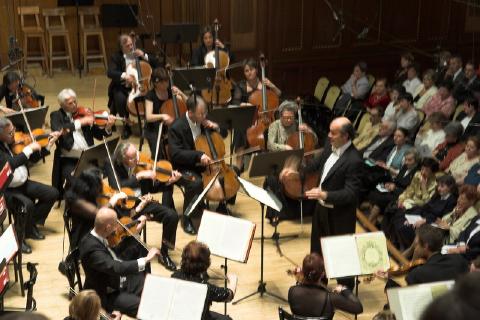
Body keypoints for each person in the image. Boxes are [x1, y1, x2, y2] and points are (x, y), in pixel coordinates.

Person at [282, 117, 363, 289]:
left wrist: (324, 194)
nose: (329, 136)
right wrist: (295, 171)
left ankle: (345, 290)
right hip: (321, 211)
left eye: (333, 133)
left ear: (346, 136)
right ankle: (319, 284)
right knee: (317, 251)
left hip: (340, 216)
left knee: (340, 254)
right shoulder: (330, 146)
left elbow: (351, 193)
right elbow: (314, 165)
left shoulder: (354, 160)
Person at [104, 142, 180, 270]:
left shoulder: (141, 162)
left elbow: (153, 187)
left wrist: (168, 182)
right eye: (132, 158)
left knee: (172, 216)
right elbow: (117, 186)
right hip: (124, 208)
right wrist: (139, 176)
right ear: (123, 159)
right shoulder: (111, 162)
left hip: (142, 202)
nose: (137, 160)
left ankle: (165, 254)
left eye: (137, 155)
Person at [79, 207, 160, 317]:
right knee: (143, 306)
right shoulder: (92, 250)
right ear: (107, 227)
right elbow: (116, 267)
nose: (117, 227)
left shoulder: (100, 234)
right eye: (115, 224)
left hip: (119, 280)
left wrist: (136, 232)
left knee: (152, 286)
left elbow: (117, 251)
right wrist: (145, 260)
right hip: (107, 294)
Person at [0, 117, 61, 254]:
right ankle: (18, 240)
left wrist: (48, 145)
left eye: (14, 130)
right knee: (27, 205)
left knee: (53, 193)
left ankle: (30, 226)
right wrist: (27, 150)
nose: (14, 135)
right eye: (9, 133)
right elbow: (10, 164)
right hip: (7, 190)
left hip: (23, 183)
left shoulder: (13, 142)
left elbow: (32, 158)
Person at [168, 95, 221, 235]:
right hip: (183, 167)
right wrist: (198, 155)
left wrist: (216, 127)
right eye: (201, 113)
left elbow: (223, 135)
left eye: (205, 113)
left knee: (231, 173)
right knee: (195, 183)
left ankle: (221, 206)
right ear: (190, 113)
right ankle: (187, 218)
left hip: (204, 165)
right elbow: (176, 154)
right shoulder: (176, 127)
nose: (204, 116)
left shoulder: (203, 123)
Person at [50, 88, 115, 199]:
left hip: (89, 156)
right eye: (70, 103)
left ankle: (115, 196)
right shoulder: (56, 116)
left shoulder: (84, 114)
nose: (75, 105)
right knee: (80, 184)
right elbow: (60, 130)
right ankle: (74, 206)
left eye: (75, 101)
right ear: (62, 104)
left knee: (111, 165)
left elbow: (99, 135)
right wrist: (80, 122)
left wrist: (108, 126)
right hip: (70, 160)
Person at [263, 100, 317, 223]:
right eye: (286, 118)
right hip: (282, 161)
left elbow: (314, 140)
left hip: (301, 162)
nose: (288, 120)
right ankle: (278, 213)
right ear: (280, 115)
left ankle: (310, 210)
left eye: (291, 118)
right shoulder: (274, 126)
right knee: (272, 179)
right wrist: (284, 147)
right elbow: (270, 145)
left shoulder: (299, 125)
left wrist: (309, 131)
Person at [144, 67, 187, 209]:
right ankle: (168, 202)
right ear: (155, 83)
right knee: (162, 159)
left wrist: (181, 94)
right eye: (162, 82)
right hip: (154, 129)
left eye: (167, 81)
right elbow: (149, 117)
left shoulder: (171, 92)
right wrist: (162, 116)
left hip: (171, 129)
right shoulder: (150, 95)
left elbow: (189, 105)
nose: (166, 84)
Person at [375, 224, 468, 286]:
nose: (415, 248)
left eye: (416, 244)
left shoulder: (418, 274)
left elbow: (405, 293)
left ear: (426, 246)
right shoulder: (459, 260)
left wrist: (386, 280)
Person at [231, 58, 282, 169]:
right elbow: (235, 102)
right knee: (240, 130)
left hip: (266, 118)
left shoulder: (265, 84)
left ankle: (270, 163)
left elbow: (279, 94)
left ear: (257, 70)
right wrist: (246, 105)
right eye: (246, 71)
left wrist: (272, 85)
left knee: (272, 129)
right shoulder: (241, 86)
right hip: (248, 117)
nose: (249, 72)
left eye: (251, 69)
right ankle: (239, 164)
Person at [107, 33, 159, 139]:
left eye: (131, 44)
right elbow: (110, 72)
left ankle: (150, 123)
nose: (131, 47)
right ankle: (127, 126)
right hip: (123, 87)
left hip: (142, 86)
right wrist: (125, 75)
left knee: (152, 97)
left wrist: (144, 55)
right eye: (127, 46)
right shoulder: (116, 56)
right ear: (121, 47)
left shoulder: (139, 53)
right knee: (120, 99)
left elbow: (156, 63)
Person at [172, 241, 237, 320]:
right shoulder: (205, 288)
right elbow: (228, 295)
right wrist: (233, 281)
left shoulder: (175, 275)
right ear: (206, 265)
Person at [391, 174, 458, 250]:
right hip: (423, 216)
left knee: (404, 227)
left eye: (442, 186)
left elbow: (441, 218)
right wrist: (412, 218)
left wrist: (424, 220)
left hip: (432, 224)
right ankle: (399, 244)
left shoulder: (452, 201)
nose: (439, 189)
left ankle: (405, 249)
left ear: (450, 187)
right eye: (438, 186)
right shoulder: (437, 194)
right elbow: (426, 206)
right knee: (400, 217)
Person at [288, 253, 363, 319]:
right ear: (323, 274)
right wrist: (344, 289)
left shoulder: (292, 291)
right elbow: (358, 308)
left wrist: (300, 279)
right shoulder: (331, 298)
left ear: (303, 272)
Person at [365, 148, 419, 224]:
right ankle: (373, 220)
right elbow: (397, 180)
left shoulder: (417, 173)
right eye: (406, 159)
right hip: (393, 190)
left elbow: (410, 191)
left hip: (402, 195)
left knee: (380, 200)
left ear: (416, 161)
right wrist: (390, 184)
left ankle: (368, 223)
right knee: (374, 193)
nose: (406, 162)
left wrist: (395, 189)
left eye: (409, 160)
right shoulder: (405, 167)